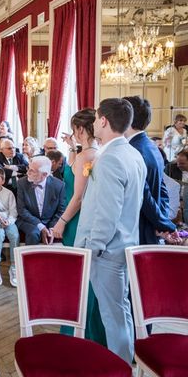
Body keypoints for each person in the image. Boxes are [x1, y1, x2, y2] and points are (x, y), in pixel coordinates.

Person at [75, 98, 146, 363]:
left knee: (112, 315)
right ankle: (126, 359)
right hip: (125, 244)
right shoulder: (132, 154)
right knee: (121, 310)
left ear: (103, 120)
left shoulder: (111, 159)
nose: (94, 123)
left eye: (95, 119)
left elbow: (107, 213)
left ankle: (119, 365)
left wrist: (93, 249)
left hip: (107, 252)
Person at [49, 109, 105, 345]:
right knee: (79, 276)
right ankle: (79, 328)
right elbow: (73, 170)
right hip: (76, 219)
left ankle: (84, 333)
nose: (73, 133)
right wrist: (72, 146)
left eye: (74, 129)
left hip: (76, 220)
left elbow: (79, 197)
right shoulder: (88, 153)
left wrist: (61, 222)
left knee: (82, 277)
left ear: (80, 129)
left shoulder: (88, 157)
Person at [124, 96, 177, 245]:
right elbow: (162, 190)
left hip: (137, 228)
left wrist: (164, 225)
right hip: (150, 226)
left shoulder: (134, 150)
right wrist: (162, 221)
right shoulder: (152, 146)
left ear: (127, 117)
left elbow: (144, 195)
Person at [16, 156, 66, 245]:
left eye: (32, 171)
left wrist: (51, 228)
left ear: (45, 174)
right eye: (28, 168)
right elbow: (22, 210)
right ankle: (30, 258)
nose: (28, 173)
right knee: (33, 233)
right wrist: (41, 226)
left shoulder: (59, 185)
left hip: (49, 220)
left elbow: (61, 210)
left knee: (52, 235)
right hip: (28, 220)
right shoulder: (22, 183)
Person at [0, 168, 19, 287]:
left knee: (14, 235)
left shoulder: (9, 193)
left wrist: (9, 221)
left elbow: (13, 212)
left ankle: (14, 266)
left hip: (8, 220)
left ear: (3, 180)